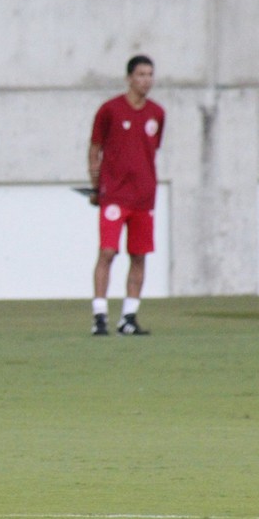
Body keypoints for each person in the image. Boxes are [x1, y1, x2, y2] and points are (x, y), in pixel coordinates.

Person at [87, 54, 165, 336]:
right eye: (141, 74)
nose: (146, 80)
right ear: (129, 78)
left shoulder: (157, 113)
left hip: (144, 197)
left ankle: (129, 318)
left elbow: (150, 150)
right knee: (107, 252)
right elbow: (95, 149)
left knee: (139, 255)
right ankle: (99, 316)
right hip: (115, 195)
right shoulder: (110, 110)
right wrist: (96, 186)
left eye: (150, 74)